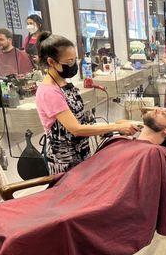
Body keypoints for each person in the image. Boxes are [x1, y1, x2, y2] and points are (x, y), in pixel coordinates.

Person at [0, 106, 166, 255]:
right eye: (158, 108)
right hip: (67, 196)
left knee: (17, 240)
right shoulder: (120, 141)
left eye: (164, 114)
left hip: (91, 209)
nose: (157, 110)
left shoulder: (159, 155)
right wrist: (125, 125)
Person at [34, 32, 139, 174]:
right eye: (69, 62)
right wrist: (113, 127)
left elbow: (80, 121)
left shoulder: (64, 83)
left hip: (80, 149)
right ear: (51, 62)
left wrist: (113, 126)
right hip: (63, 159)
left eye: (74, 59)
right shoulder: (49, 92)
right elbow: (76, 128)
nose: (73, 65)